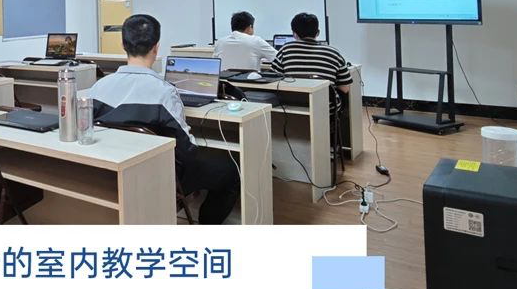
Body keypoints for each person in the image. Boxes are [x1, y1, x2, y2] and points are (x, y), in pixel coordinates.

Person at [86, 14, 240, 224]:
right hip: (159, 175)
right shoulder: (164, 92)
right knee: (230, 171)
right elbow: (187, 151)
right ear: (156, 47)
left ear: (123, 45)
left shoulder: (98, 88)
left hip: (113, 171)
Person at [270, 12, 354, 112]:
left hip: (290, 106)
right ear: (318, 32)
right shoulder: (333, 53)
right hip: (325, 109)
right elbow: (345, 88)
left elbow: (272, 78)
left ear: (294, 34)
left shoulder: (285, 50)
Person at [213, 11, 277, 71]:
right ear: (250, 27)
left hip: (224, 79)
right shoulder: (256, 41)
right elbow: (279, 59)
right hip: (248, 79)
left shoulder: (220, 42)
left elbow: (215, 64)